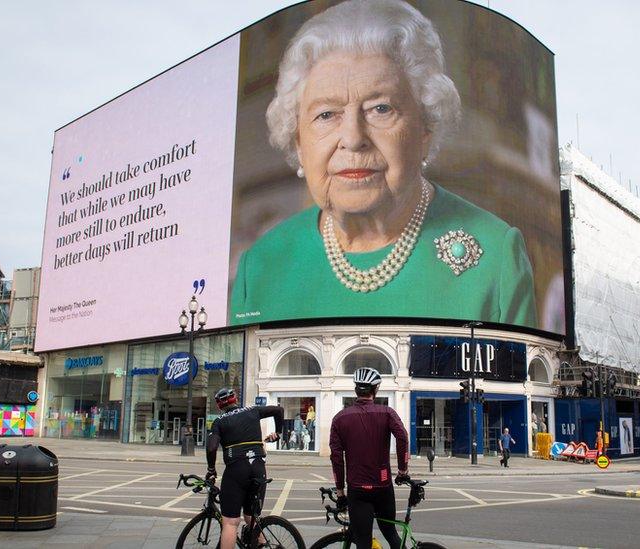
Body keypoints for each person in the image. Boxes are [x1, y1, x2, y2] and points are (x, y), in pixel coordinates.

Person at [230, 0, 538, 329]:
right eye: (326, 114)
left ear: (425, 128)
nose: (352, 137)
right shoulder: (259, 268)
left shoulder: (496, 256)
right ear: (298, 142)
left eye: (380, 109)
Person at [330, 367, 409, 549]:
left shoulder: (340, 418)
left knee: (363, 541)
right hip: (382, 486)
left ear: (356, 389)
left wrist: (340, 491)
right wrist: (402, 470)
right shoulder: (387, 412)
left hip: (357, 488)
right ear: (376, 389)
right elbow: (403, 437)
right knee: (391, 534)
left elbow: (336, 458)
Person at [205, 388, 283, 549]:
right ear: (235, 399)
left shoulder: (219, 421)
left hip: (237, 470)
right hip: (258, 468)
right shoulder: (252, 410)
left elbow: (212, 448)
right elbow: (278, 410)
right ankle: (262, 545)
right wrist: (278, 432)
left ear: (219, 405)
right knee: (251, 517)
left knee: (231, 522)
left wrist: (211, 470)